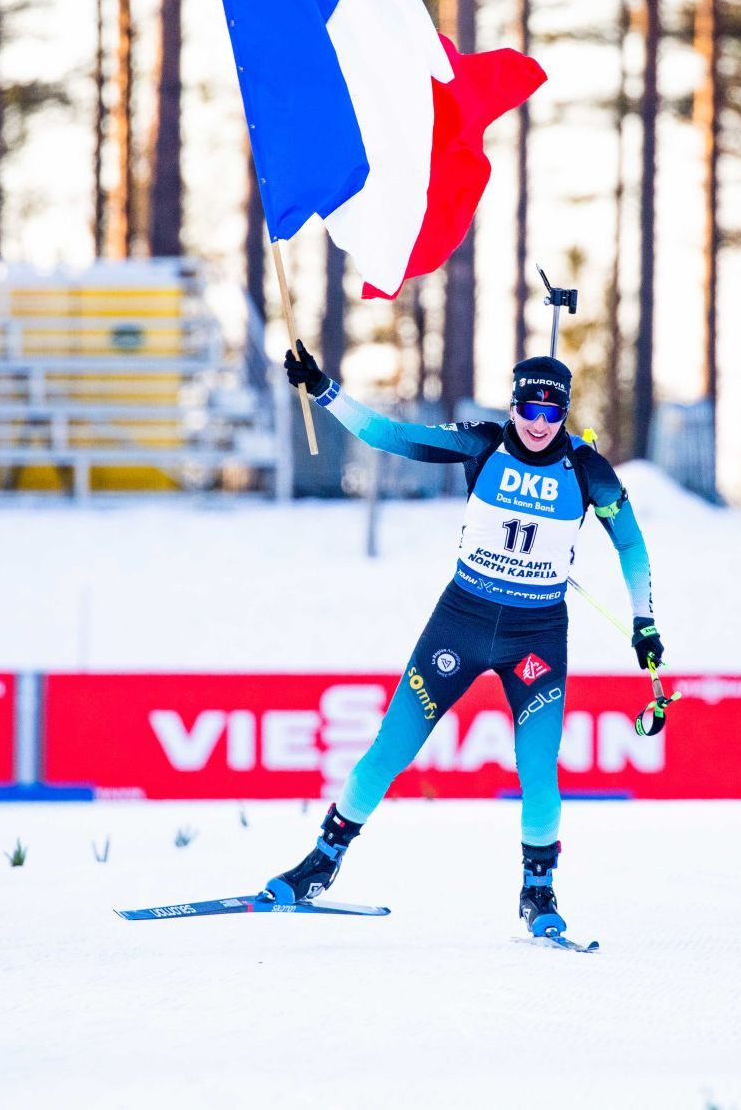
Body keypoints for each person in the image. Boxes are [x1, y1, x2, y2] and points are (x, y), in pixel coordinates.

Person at [262, 342, 665, 938]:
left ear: (565, 414)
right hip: (461, 621)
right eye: (527, 409)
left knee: (538, 771)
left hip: (536, 636)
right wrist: (324, 388)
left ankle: (538, 891)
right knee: (389, 751)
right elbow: (387, 436)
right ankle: (322, 863)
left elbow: (629, 543)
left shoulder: (587, 470)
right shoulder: (481, 442)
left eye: (551, 414)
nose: (537, 424)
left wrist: (644, 620)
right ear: (513, 406)